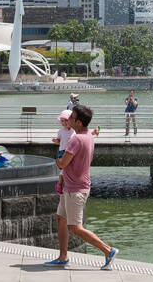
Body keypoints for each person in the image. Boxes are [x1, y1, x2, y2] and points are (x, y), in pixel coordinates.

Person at [44, 103, 117, 270]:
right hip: (72, 187)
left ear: (79, 123)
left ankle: (108, 250)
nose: (68, 119)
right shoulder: (89, 136)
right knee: (61, 219)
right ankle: (63, 257)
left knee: (75, 227)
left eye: (71, 117)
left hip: (75, 189)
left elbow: (63, 163)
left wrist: (57, 160)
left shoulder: (76, 139)